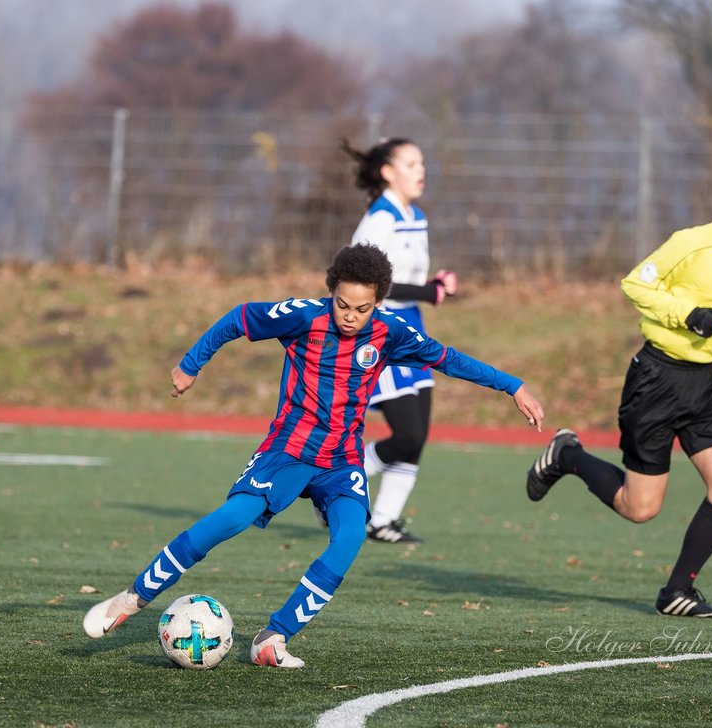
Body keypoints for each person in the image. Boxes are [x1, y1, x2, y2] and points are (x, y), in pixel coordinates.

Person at [84, 243, 545, 667]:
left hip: (342, 460)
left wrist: (513, 386)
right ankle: (133, 598)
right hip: (288, 451)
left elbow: (450, 359)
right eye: (343, 304)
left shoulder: (390, 333)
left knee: (349, 537)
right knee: (232, 519)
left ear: (378, 303)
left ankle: (273, 637)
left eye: (362, 309)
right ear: (331, 293)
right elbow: (238, 318)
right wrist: (191, 364)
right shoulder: (303, 316)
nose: (350, 316)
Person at [525, 143, 712, 618]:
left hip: (706, 384)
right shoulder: (692, 242)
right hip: (657, 380)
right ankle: (568, 455)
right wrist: (689, 314)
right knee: (639, 508)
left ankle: (677, 591)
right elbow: (635, 284)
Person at [341, 137, 459, 544]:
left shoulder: (415, 215)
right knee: (406, 434)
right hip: (382, 333)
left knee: (418, 436)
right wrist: (429, 292)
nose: (420, 170)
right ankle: (337, 482)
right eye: (411, 163)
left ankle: (382, 521)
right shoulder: (380, 218)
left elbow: (406, 278)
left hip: (413, 330)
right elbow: (367, 283)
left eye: (421, 162)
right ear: (388, 172)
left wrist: (434, 285)